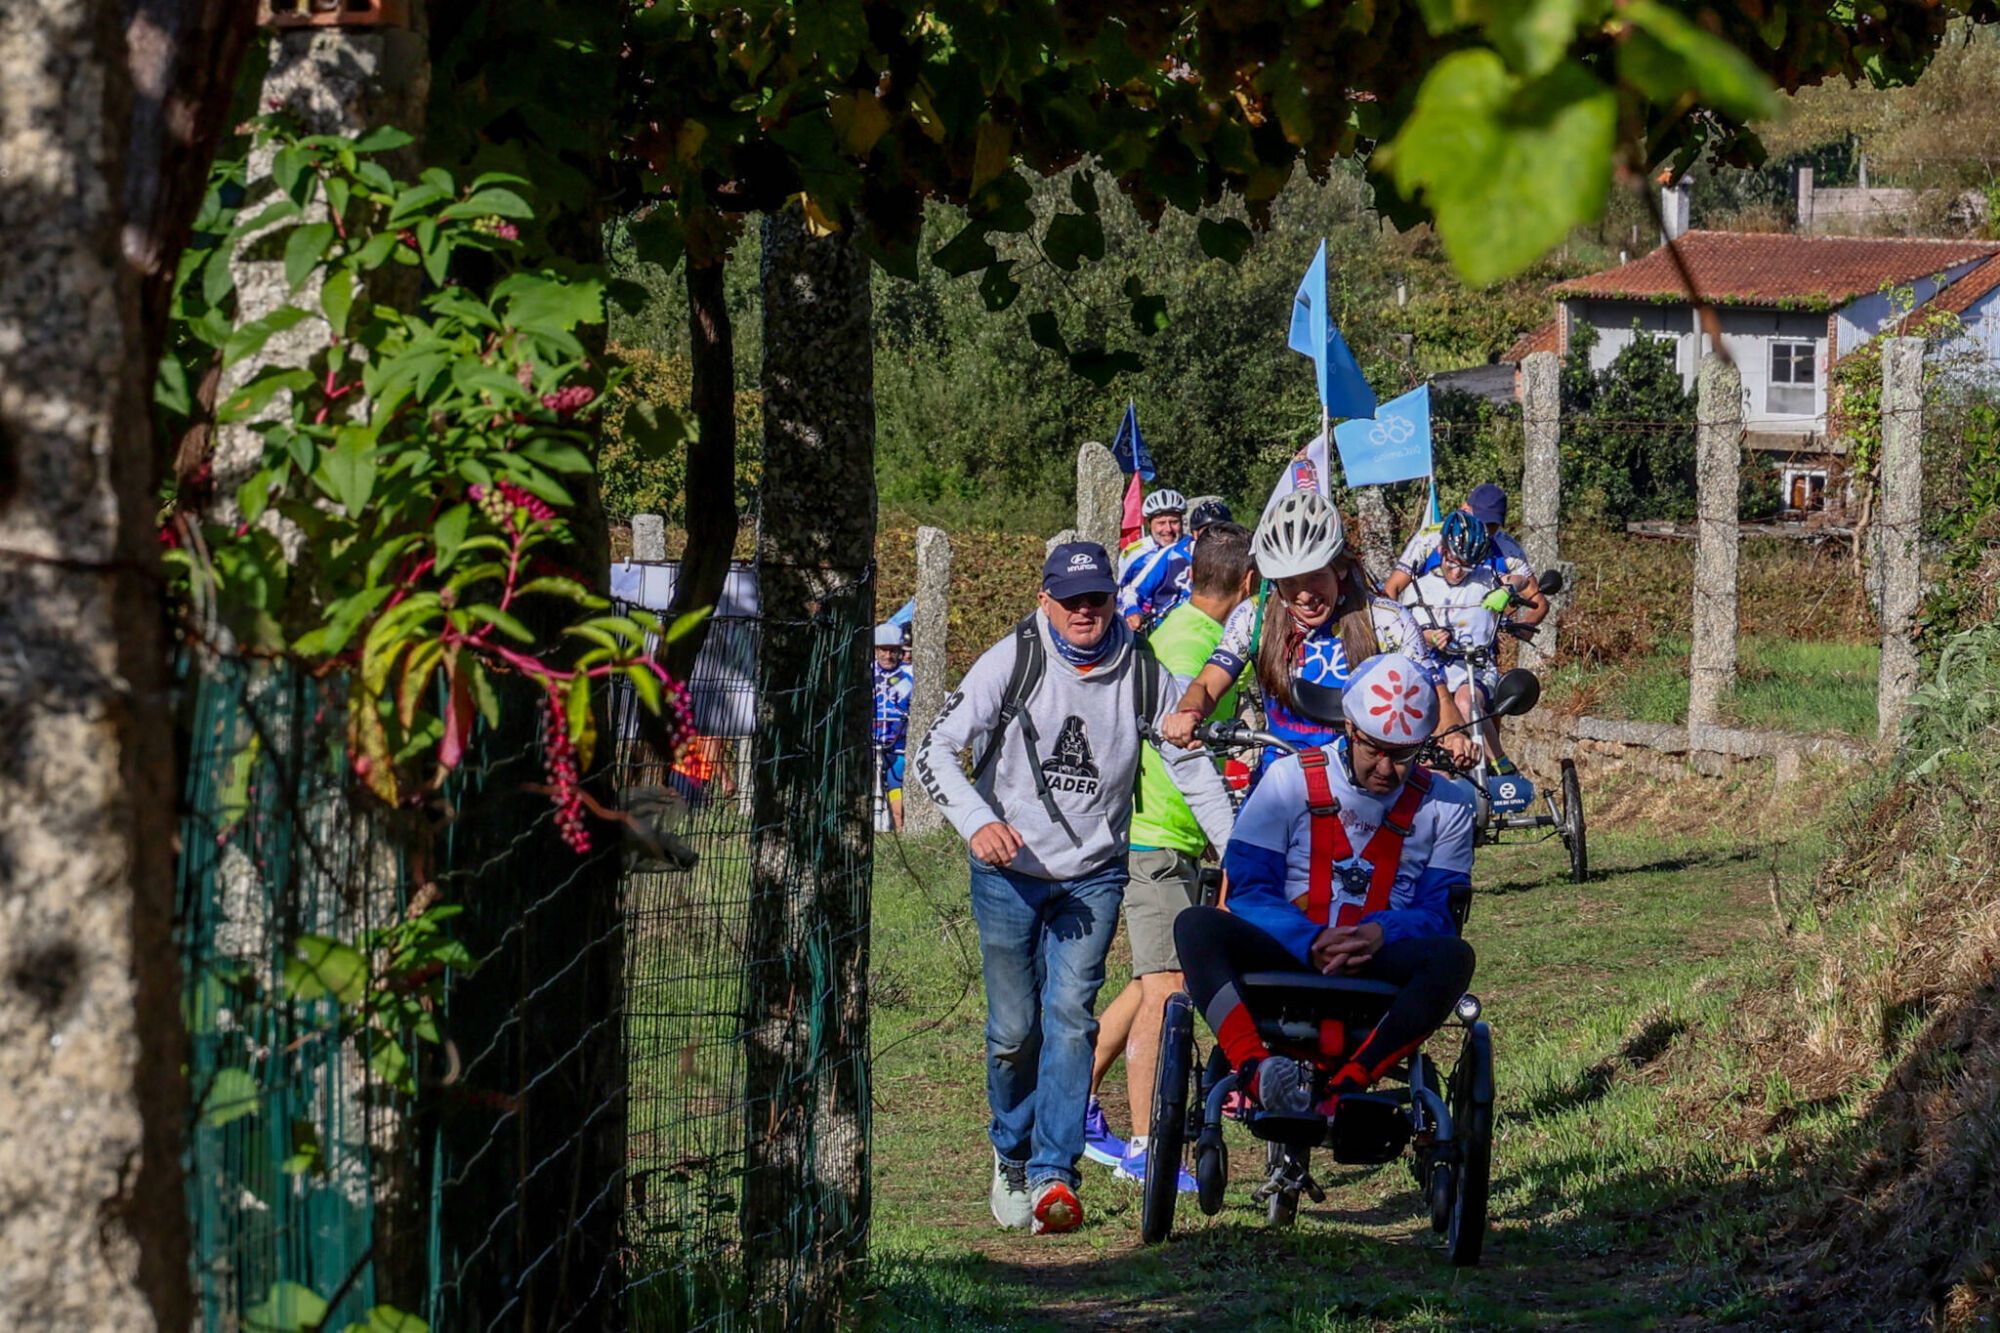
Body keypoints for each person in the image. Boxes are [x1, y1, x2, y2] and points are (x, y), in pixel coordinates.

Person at [912, 541, 1236, 1236]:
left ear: (1115, 600)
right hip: (1009, 872)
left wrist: (1240, 855)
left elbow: (1193, 767)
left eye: (1098, 599)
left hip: (1093, 874)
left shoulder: (1144, 670)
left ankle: (1052, 1172)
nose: (1086, 612)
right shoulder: (1014, 658)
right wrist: (978, 821)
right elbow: (932, 749)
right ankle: (1010, 1151)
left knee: (1070, 1017)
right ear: (1045, 601)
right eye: (1072, 600)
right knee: (1012, 1030)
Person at [1173, 652, 1477, 1116]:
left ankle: (1351, 1085)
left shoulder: (1449, 805)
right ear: (1350, 730)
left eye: (1402, 756)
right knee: (1196, 925)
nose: (1384, 768)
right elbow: (1249, 885)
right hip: (1289, 948)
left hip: (1379, 958)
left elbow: (1440, 911)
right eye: (1373, 749)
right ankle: (1257, 1069)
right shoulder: (1287, 779)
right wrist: (1309, 939)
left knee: (1455, 956)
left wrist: (1380, 934)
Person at [1078, 522, 1257, 1186]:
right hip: (1153, 837)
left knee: (1147, 982)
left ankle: (1068, 1103)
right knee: (1167, 991)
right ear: (1248, 584)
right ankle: (1150, 1147)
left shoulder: (1194, 633)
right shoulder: (1189, 644)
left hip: (1169, 836)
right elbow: (1182, 753)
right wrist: (1233, 841)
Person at [1159, 491, 1472, 771]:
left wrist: (1454, 736)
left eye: (1314, 577)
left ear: (1339, 568)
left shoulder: (1386, 620)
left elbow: (1436, 693)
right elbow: (1207, 684)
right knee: (1244, 837)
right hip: (1284, 776)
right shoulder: (1255, 618)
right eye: (1289, 581)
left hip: (1364, 778)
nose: (1304, 594)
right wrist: (1188, 712)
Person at [1404, 512, 1525, 776]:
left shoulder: (1485, 580)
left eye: (1466, 567)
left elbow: (1521, 579)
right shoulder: (1419, 588)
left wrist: (1507, 591)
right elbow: (1406, 633)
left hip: (1475, 668)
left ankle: (1500, 765)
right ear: (1441, 550)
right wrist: (1430, 637)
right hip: (1434, 673)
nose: (1457, 572)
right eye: (1451, 562)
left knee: (1465, 701)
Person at [1384, 484, 1548, 637]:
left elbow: (1537, 600)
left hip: (1477, 648)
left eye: (1492, 524)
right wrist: (1400, 633)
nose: (1485, 529)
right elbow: (1393, 588)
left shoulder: (1507, 548)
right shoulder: (1430, 538)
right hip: (1427, 638)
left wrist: (1526, 624)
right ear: (1465, 508)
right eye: (1481, 520)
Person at [1121, 495, 1234, 635]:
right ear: (1195, 533)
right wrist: (1132, 612)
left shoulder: (1236, 558)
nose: (1214, 538)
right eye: (1207, 532)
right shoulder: (1171, 554)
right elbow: (1131, 591)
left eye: (1222, 532)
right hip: (1166, 631)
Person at [1117, 489, 1188, 629]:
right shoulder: (1134, 553)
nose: (1168, 529)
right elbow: (1121, 591)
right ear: (1150, 524)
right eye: (1161, 523)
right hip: (1144, 623)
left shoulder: (1192, 547)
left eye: (1174, 522)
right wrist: (1131, 612)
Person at [871, 623, 915, 831]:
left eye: (893, 651)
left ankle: (900, 829)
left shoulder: (905, 679)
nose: (888, 656)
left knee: (897, 797)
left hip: (896, 748)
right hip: (869, 746)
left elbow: (913, 706)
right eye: (883, 650)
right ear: (876, 650)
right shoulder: (867, 676)